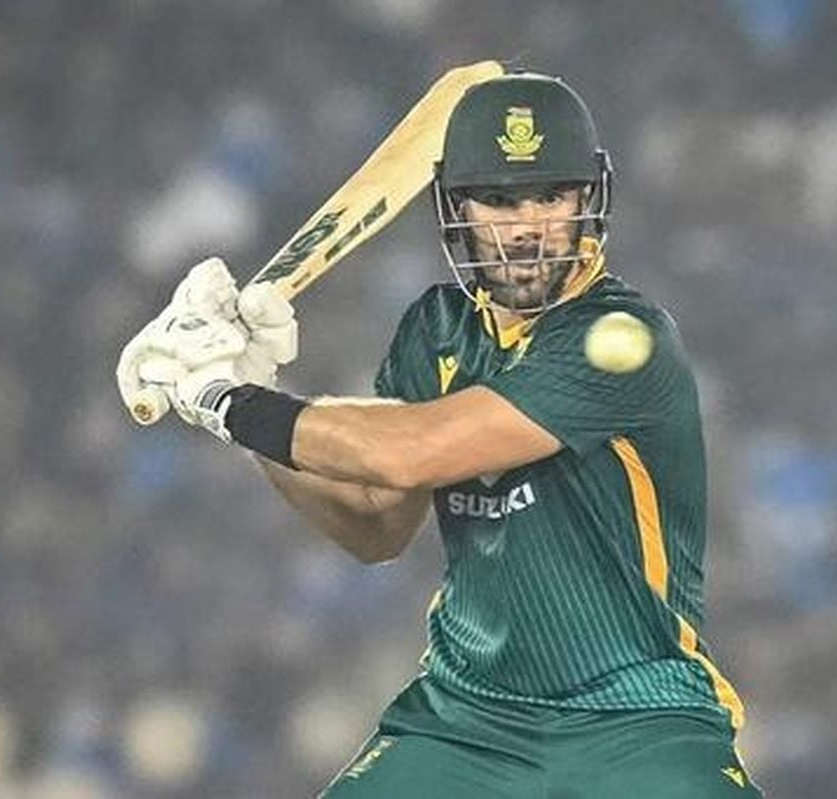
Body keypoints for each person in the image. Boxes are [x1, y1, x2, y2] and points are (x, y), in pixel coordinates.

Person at [116, 70, 763, 798]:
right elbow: (374, 523)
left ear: (589, 200)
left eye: (552, 196)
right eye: (500, 200)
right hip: (469, 717)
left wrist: (227, 400)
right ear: (457, 207)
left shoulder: (623, 338)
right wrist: (250, 403)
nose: (528, 226)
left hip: (639, 717)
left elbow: (411, 453)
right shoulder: (436, 330)